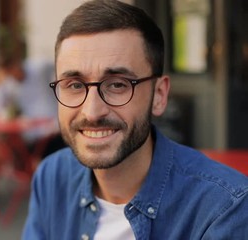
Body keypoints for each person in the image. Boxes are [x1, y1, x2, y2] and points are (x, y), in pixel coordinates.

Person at [22, 0, 248, 239]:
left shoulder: (224, 208)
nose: (92, 111)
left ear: (159, 95)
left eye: (118, 84)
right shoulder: (52, 177)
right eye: (75, 85)